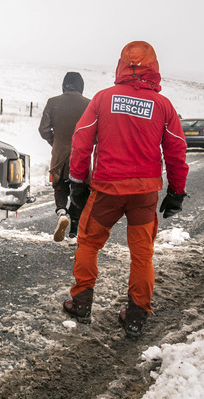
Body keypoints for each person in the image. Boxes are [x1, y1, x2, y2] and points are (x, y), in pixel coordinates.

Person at [61, 41, 189, 338]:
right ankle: (135, 316)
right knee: (142, 255)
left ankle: (81, 303)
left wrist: (78, 182)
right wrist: (176, 192)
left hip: (106, 189)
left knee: (89, 243)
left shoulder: (103, 99)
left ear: (121, 65)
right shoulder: (164, 106)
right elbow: (176, 151)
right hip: (144, 193)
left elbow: (81, 141)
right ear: (154, 67)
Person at [38, 72, 91, 245]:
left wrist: (57, 142)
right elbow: (96, 133)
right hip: (80, 156)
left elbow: (43, 130)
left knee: (60, 186)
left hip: (59, 154)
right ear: (81, 86)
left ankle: (61, 213)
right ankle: (73, 234)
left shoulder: (53, 103)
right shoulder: (89, 105)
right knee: (79, 190)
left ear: (64, 85)